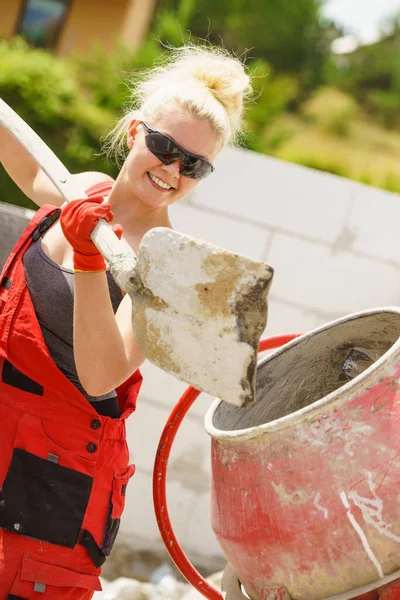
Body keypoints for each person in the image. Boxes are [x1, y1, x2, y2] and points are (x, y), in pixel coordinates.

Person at [0, 45, 251, 598]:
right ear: (136, 131)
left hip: (52, 482)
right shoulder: (82, 189)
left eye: (194, 166)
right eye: (164, 147)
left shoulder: (168, 264)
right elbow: (16, 157)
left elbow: (100, 374)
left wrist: (92, 261)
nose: (172, 170)